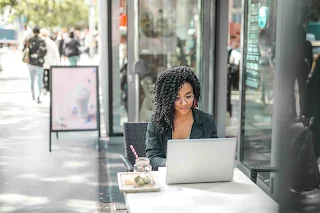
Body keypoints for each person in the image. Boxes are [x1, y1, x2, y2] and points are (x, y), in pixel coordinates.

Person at [145, 66, 218, 170]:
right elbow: (153, 157)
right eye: (177, 98)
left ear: (195, 95)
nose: (183, 103)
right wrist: (170, 164)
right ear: (167, 99)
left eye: (188, 96)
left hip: (200, 176)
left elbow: (214, 156)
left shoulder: (207, 121)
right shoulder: (156, 122)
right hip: (168, 177)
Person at [27, 27, 47, 103]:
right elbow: (45, 51)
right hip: (39, 63)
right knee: (39, 80)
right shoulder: (42, 41)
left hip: (31, 62)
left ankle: (33, 94)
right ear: (39, 32)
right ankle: (39, 96)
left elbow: (25, 50)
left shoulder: (30, 40)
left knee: (32, 79)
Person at [40, 28, 60, 95]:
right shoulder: (50, 41)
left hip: (42, 61)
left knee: (42, 75)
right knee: (49, 75)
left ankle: (44, 88)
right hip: (50, 61)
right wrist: (57, 62)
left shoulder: (41, 41)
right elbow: (55, 52)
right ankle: (48, 87)